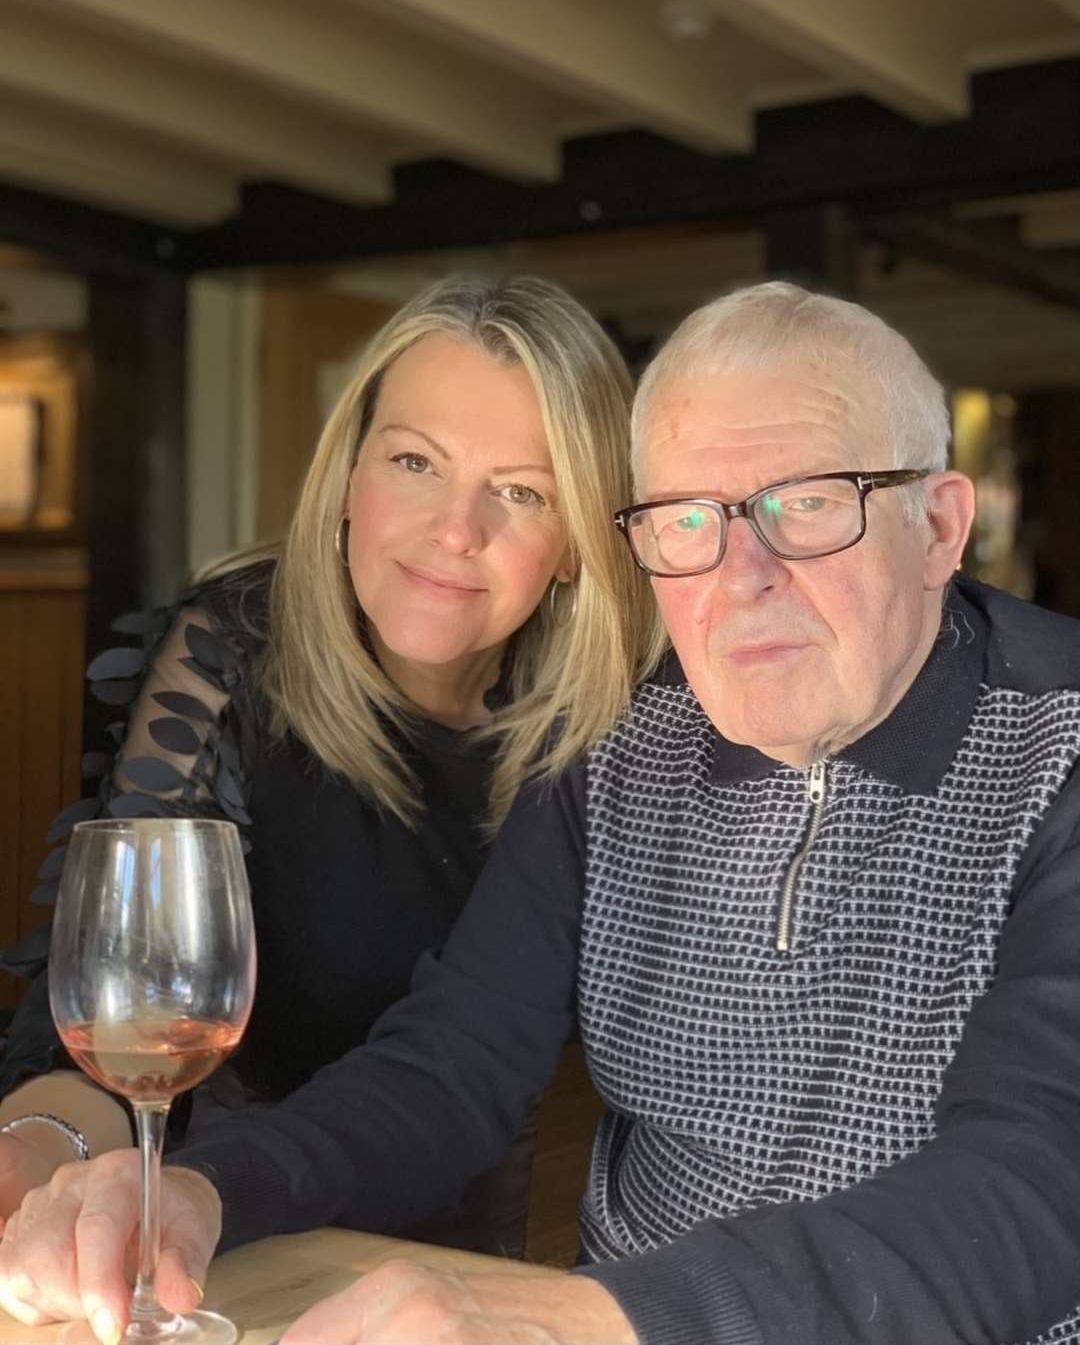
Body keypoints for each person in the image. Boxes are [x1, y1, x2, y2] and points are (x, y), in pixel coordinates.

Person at [5, 279, 1080, 1345]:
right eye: (687, 517)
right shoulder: (622, 731)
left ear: (939, 526)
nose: (740, 575)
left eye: (807, 503)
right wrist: (199, 1195)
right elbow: (453, 1062)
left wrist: (597, 1318)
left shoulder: (1060, 746)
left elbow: (1040, 1177)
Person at [0, 274, 662, 1260]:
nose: (454, 529)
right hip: (206, 1217)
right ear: (347, 478)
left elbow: (473, 1068)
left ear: (576, 547)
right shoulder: (230, 653)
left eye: (522, 491)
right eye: (414, 461)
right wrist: (27, 1153)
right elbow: (119, 1024)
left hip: (452, 1240)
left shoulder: (602, 728)